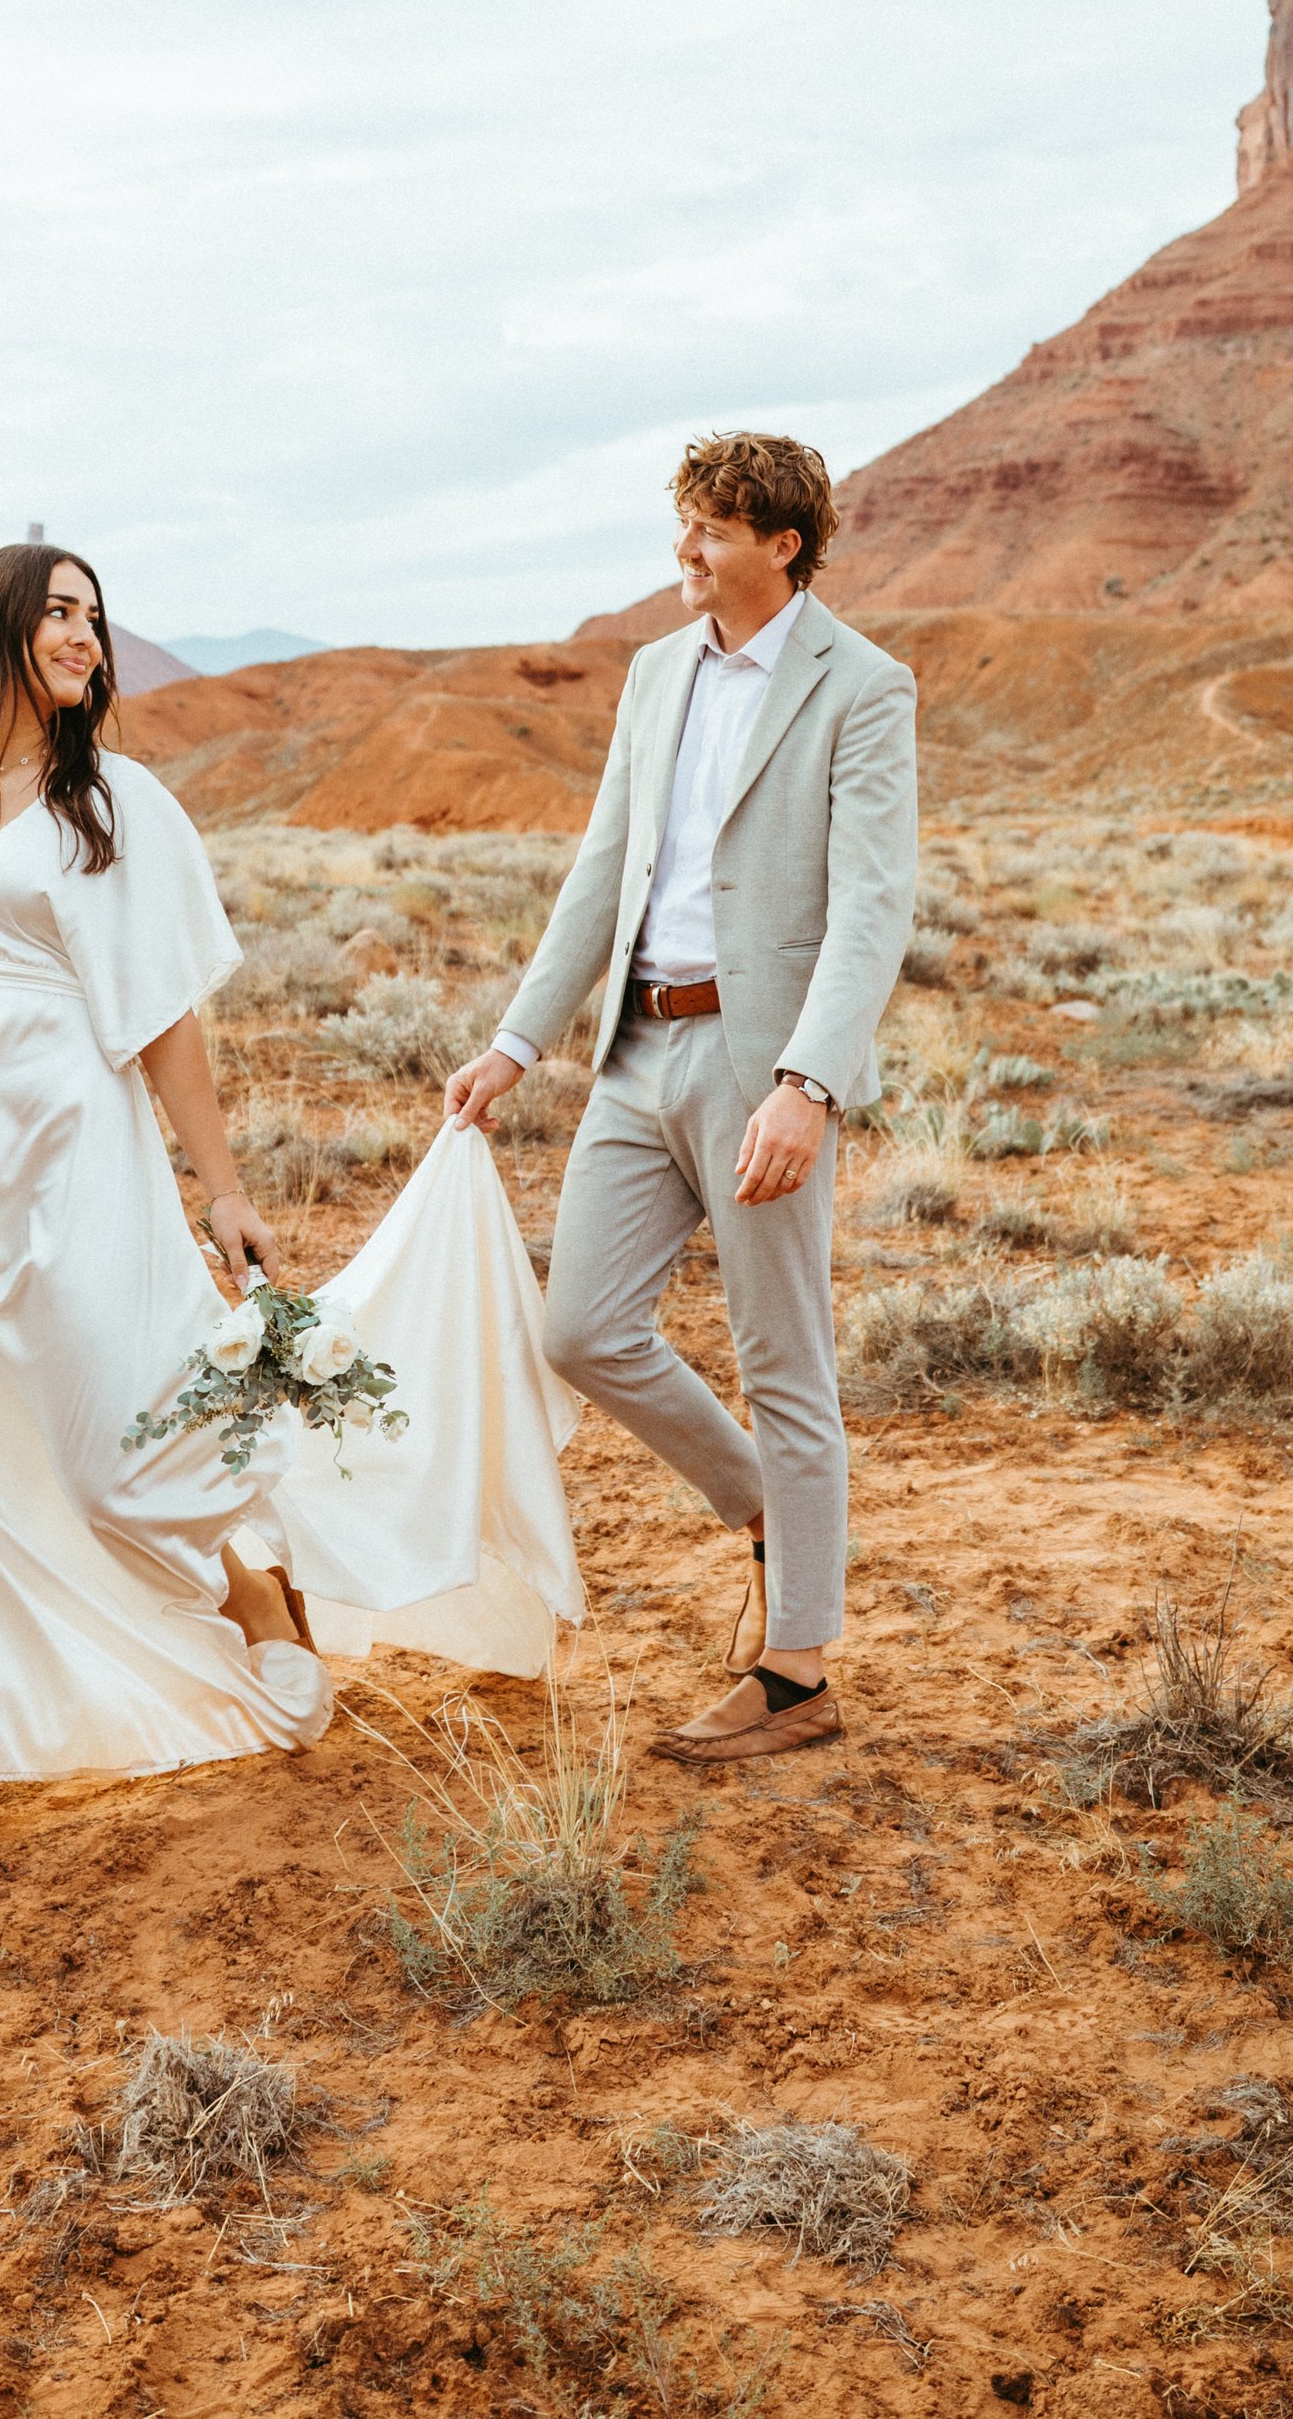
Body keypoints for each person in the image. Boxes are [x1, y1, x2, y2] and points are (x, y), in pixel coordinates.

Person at [0, 539, 580, 1924]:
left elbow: (162, 1022)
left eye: (97, 617)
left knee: (110, 1456)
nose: (86, 636)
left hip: (70, 1155)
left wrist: (224, 1186)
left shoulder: (114, 804)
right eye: (61, 611)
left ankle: (255, 1581)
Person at [446, 433, 918, 1765]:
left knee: (786, 1361)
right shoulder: (656, 675)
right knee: (581, 1325)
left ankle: (797, 1672)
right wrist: (515, 1041)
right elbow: (604, 869)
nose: (685, 549)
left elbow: (876, 902)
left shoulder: (864, 688)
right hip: (634, 1055)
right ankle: (770, 1508)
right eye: (684, 524)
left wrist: (808, 1083)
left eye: (711, 527)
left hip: (760, 1065)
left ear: (782, 542)